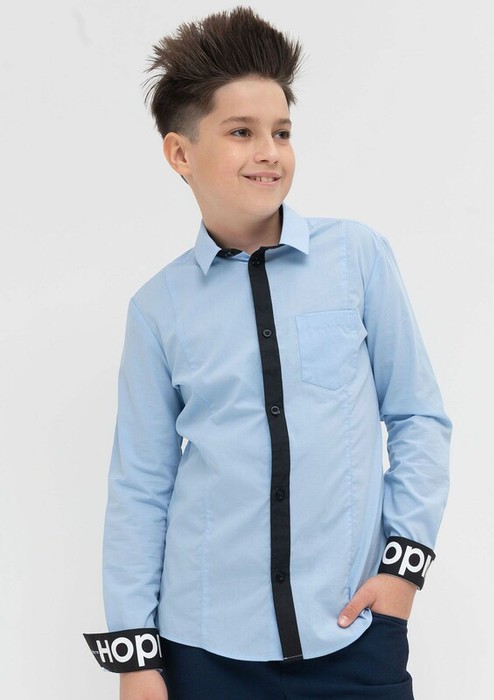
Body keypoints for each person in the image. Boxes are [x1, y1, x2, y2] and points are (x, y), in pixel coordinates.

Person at [83, 6, 452, 699]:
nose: (269, 152)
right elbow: (140, 486)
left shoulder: (357, 258)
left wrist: (403, 569)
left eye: (281, 131)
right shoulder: (157, 310)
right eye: (241, 132)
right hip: (205, 651)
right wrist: (136, 657)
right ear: (180, 154)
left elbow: (417, 417)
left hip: (352, 633)